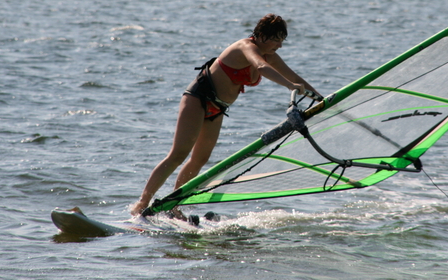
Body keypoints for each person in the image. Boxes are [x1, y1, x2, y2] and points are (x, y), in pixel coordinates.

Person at [130, 14, 320, 216]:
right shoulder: (245, 47)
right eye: (277, 39)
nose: (280, 45)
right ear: (262, 35)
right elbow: (261, 68)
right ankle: (141, 205)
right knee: (178, 154)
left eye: (283, 40)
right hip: (197, 99)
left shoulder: (270, 55)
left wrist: (321, 100)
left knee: (199, 160)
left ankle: (174, 206)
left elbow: (295, 77)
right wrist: (289, 86)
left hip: (217, 108)